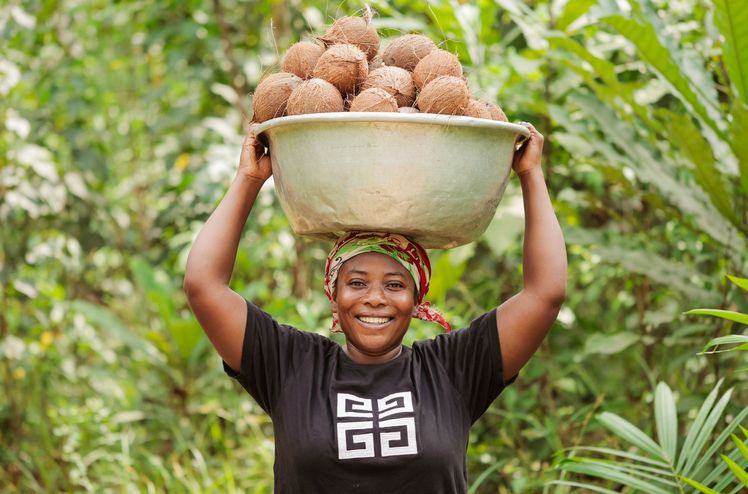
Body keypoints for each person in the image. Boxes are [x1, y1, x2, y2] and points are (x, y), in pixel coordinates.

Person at [183, 121, 566, 493]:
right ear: (333, 294)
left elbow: (544, 293)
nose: (375, 297)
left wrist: (530, 173)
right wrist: (249, 180)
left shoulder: (453, 370)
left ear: (417, 299)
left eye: (395, 284)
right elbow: (204, 286)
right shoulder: (292, 366)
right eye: (357, 282)